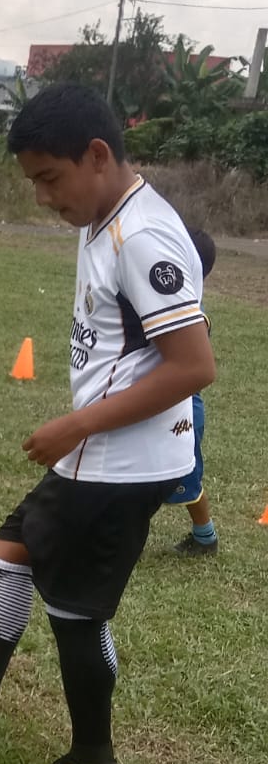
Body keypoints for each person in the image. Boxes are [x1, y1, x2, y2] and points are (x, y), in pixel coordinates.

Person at [0, 82, 214, 764]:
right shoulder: (105, 215)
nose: (43, 198)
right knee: (13, 551)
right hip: (97, 455)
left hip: (118, 463)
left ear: (97, 155)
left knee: (76, 612)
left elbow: (194, 366)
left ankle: (93, 761)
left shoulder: (142, 235)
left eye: (50, 178)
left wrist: (75, 424)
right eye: (33, 183)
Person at [164, 227, 218, 555]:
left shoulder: (193, 316)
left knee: (187, 479)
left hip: (181, 411)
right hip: (161, 406)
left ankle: (205, 537)